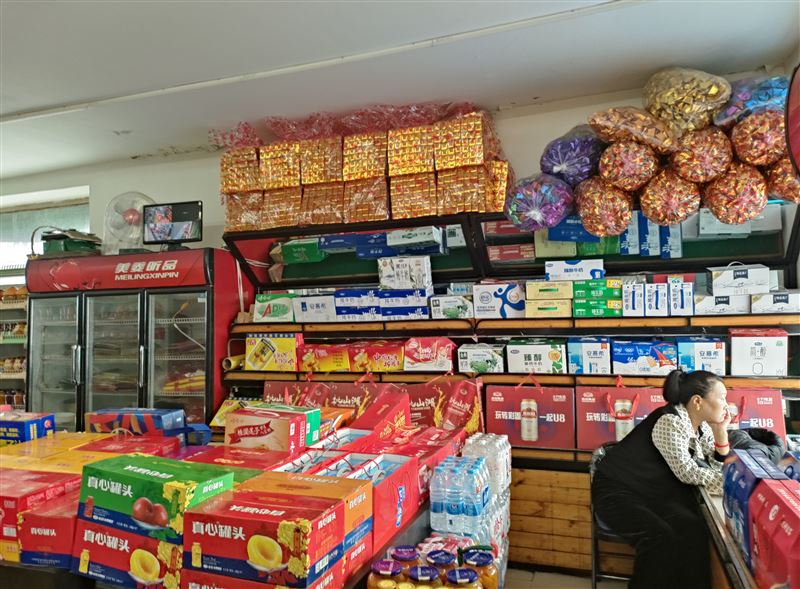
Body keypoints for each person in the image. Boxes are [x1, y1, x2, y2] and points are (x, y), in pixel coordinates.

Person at [591, 369, 731, 589]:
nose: (726, 405)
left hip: (648, 491)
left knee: (694, 528)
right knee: (659, 538)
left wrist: (721, 431)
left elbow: (713, 466)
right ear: (697, 401)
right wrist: (731, 485)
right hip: (616, 490)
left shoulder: (702, 426)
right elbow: (688, 472)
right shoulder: (669, 422)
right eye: (722, 397)